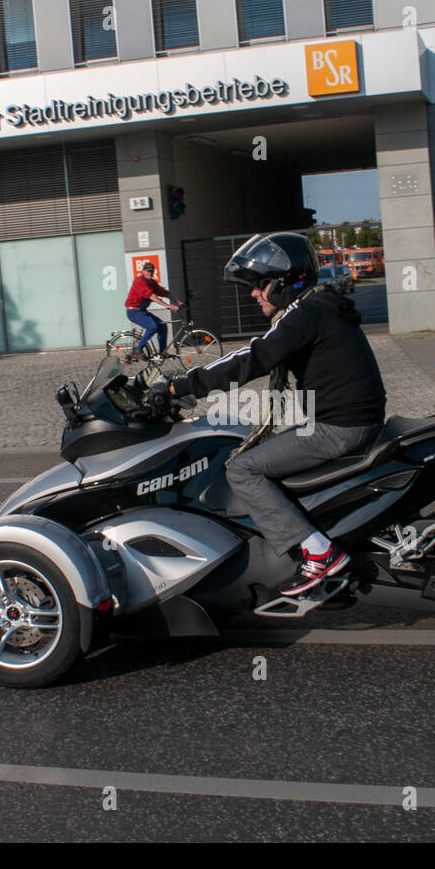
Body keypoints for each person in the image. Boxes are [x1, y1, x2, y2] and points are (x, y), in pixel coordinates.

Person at [167, 232, 386, 598]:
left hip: (339, 427)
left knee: (242, 468)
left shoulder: (306, 313)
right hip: (347, 419)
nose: (254, 293)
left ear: (288, 281)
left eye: (260, 284)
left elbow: (253, 357)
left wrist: (182, 385)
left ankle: (319, 553)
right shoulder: (318, 307)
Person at [124, 262, 182, 361]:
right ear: (143, 271)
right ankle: (138, 349)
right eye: (147, 271)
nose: (149, 273)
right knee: (152, 327)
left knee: (162, 326)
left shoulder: (151, 283)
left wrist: (177, 301)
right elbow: (152, 296)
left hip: (142, 311)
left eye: (151, 271)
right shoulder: (140, 281)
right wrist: (167, 305)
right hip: (133, 311)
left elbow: (163, 292)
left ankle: (162, 353)